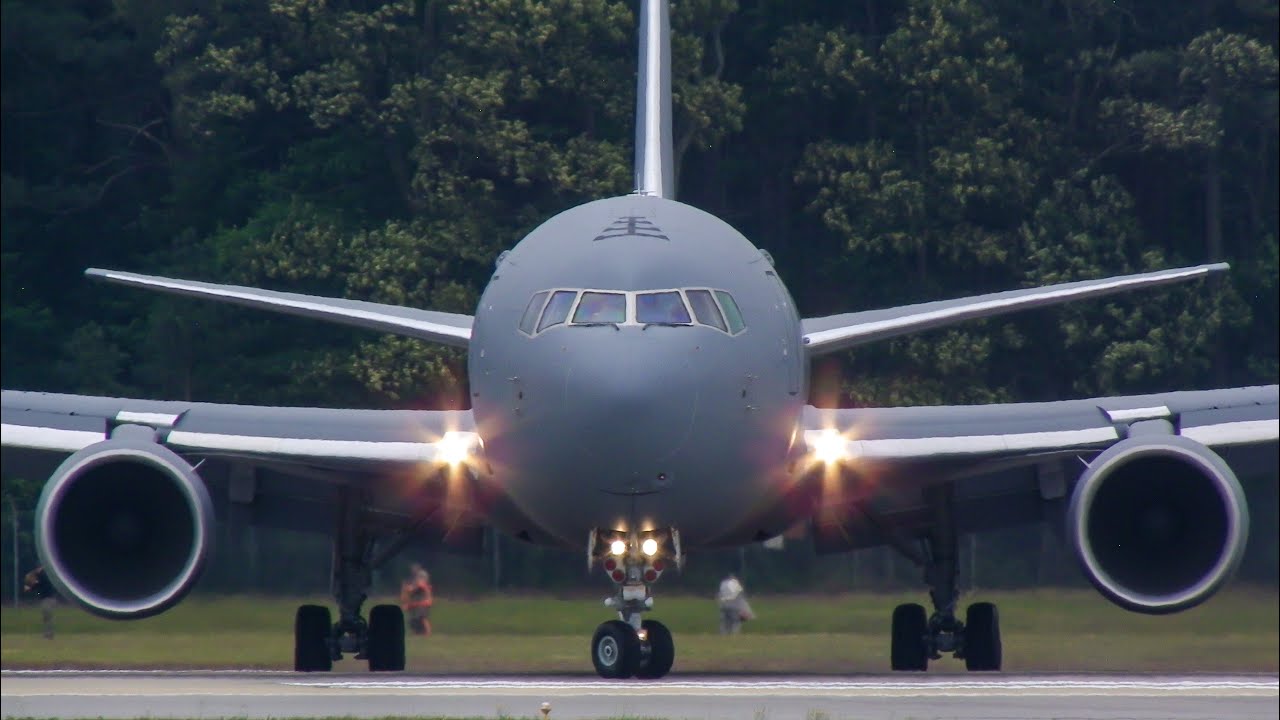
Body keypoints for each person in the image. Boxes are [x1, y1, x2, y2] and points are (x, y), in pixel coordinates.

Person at [23, 565, 57, 639]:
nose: (38, 569)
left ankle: (49, 634)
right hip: (45, 599)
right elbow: (38, 588)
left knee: (48, 616)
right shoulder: (39, 575)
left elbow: (41, 584)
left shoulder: (44, 575)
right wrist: (30, 588)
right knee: (46, 617)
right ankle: (48, 633)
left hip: (49, 598)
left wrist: (32, 586)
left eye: (39, 568)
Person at [400, 563, 434, 636]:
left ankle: (428, 633)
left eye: (414, 568)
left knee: (422, 617)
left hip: (424, 601)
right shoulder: (413, 578)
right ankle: (418, 633)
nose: (413, 570)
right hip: (416, 602)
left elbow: (420, 585)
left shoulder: (422, 574)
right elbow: (407, 591)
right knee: (413, 619)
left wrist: (411, 589)